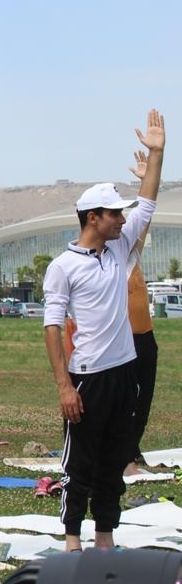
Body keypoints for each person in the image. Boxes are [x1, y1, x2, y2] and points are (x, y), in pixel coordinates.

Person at [43, 109, 165, 552]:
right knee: (81, 462)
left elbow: (147, 205)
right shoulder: (63, 267)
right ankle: (72, 537)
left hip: (124, 372)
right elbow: (53, 328)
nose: (122, 220)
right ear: (94, 216)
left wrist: (157, 153)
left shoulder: (119, 254)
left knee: (115, 459)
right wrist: (64, 386)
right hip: (87, 376)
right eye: (114, 214)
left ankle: (105, 538)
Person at [124, 149, 158, 479]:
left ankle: (132, 448)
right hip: (125, 339)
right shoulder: (110, 262)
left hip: (146, 336)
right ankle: (124, 456)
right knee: (126, 399)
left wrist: (147, 180)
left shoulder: (131, 256)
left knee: (144, 397)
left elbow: (143, 220)